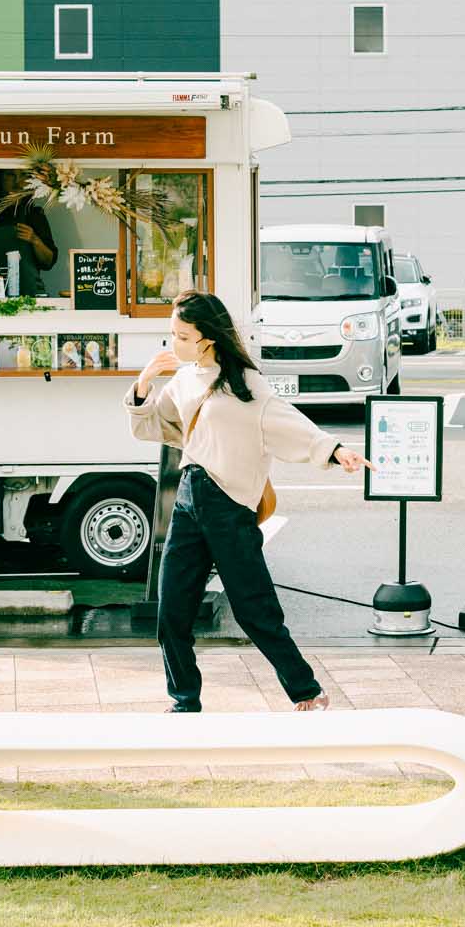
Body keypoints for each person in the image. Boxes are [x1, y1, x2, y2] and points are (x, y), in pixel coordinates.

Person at [128, 290, 370, 712]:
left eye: (183, 337)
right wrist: (144, 383)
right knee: (171, 612)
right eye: (172, 335)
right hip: (188, 498)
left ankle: (307, 691)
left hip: (229, 505)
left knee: (255, 610)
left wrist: (335, 450)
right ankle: (184, 702)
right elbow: (153, 428)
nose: (174, 344)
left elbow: (290, 425)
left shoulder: (247, 385)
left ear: (208, 338)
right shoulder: (182, 382)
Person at [0, 170, 59, 297]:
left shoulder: (34, 215)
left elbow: (48, 261)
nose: (17, 182)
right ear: (2, 180)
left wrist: (34, 239)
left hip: (28, 295)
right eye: (11, 175)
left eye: (23, 175)